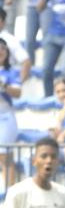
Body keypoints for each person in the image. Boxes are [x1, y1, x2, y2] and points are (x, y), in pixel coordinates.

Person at [0, 38, 21, 187]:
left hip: (5, 116)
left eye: (3, 48)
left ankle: (9, 193)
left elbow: (17, 92)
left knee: (5, 155)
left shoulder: (11, 72)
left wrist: (3, 84)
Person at [0, 7, 30, 82]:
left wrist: (18, 83)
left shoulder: (10, 40)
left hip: (5, 80)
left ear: (3, 22)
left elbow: (26, 62)